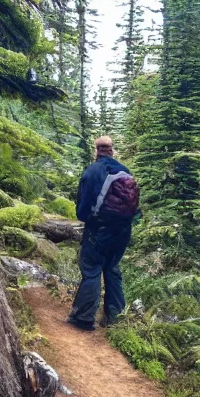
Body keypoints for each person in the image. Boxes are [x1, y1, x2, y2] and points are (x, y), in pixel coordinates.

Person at [68, 136, 140, 331]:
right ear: (112, 150)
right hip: (123, 231)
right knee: (112, 269)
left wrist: (88, 219)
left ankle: (83, 317)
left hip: (99, 230)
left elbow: (83, 210)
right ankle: (116, 318)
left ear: (96, 151)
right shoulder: (125, 171)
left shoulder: (92, 171)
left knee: (92, 269)